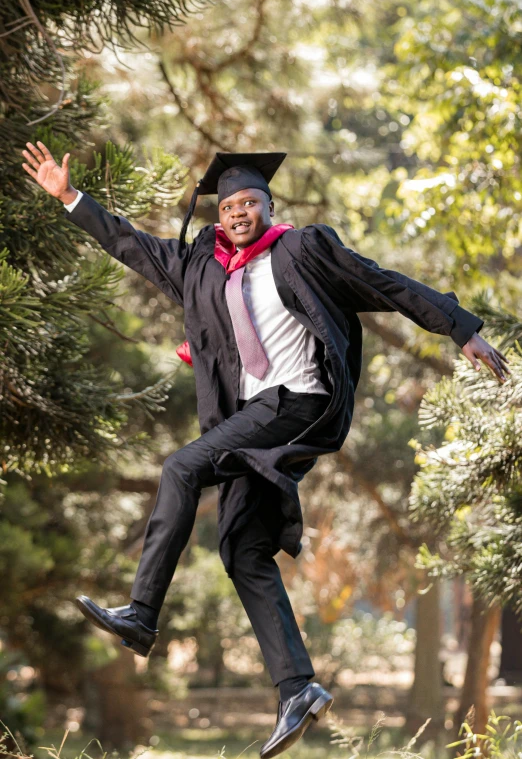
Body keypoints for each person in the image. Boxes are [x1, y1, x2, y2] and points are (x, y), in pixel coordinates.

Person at [22, 142, 510, 758]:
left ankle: (142, 614)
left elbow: (382, 282)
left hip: (297, 401)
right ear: (217, 215)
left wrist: (459, 327)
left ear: (268, 205)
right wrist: (70, 198)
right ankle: (298, 688)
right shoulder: (203, 267)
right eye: (228, 206)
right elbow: (132, 246)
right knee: (243, 550)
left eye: (250, 202)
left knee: (181, 467)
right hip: (254, 415)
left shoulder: (302, 250)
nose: (239, 213)